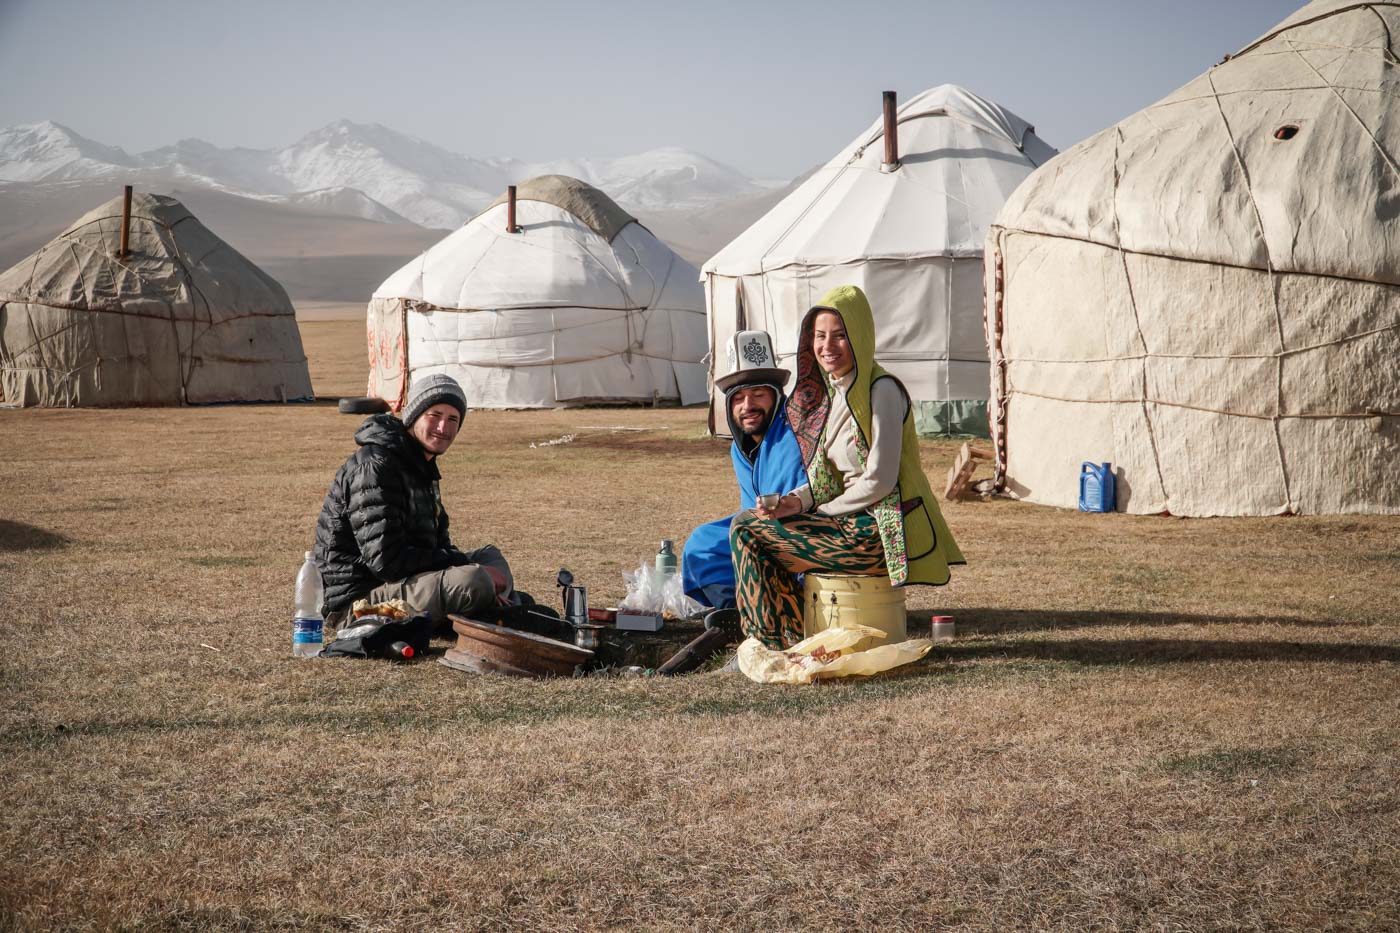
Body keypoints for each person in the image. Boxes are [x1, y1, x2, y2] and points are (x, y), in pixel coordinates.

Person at [729, 285, 965, 649]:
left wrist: (822, 513)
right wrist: (797, 502)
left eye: (840, 335)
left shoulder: (880, 389)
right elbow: (829, 476)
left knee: (746, 530)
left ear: (860, 335)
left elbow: (880, 480)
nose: (828, 346)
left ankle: (766, 645)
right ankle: (788, 639)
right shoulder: (836, 392)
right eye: (820, 336)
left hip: (875, 534)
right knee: (758, 525)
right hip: (848, 525)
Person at [313, 373, 513, 631]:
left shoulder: (421, 465)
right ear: (413, 416)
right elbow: (386, 561)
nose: (443, 428)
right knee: (474, 579)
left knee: (490, 556)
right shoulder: (375, 466)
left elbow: (435, 543)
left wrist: (462, 564)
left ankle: (490, 605)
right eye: (434, 415)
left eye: (453, 419)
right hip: (358, 601)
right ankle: (491, 606)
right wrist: (463, 566)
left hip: (400, 582)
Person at [680, 331, 805, 611]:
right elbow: (749, 513)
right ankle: (734, 611)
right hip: (760, 533)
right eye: (738, 398)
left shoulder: (796, 438)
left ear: (775, 397)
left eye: (758, 394)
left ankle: (777, 606)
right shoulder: (739, 450)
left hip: (802, 534)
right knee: (704, 543)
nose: (748, 406)